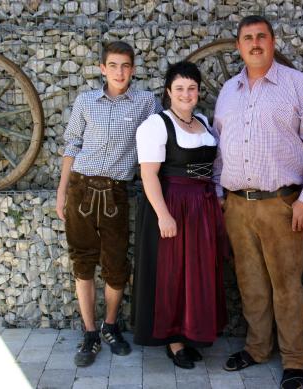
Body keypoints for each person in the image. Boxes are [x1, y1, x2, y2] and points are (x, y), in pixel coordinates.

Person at [213, 15, 303, 389]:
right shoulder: (228, 91)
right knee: (250, 284)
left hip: (282, 205)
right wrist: (219, 193)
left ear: (273, 41)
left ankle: (294, 358)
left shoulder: (298, 85)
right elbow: (219, 145)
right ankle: (257, 348)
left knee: (286, 286)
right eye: (247, 38)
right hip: (237, 205)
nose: (255, 43)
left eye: (261, 36)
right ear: (239, 46)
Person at [56, 41, 161, 367]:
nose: (119, 71)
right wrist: (62, 192)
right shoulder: (86, 102)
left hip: (116, 193)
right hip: (81, 189)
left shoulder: (145, 103)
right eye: (113, 65)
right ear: (103, 68)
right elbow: (72, 144)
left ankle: (110, 325)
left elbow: (162, 135)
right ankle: (89, 333)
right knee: (83, 262)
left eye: (125, 65)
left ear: (132, 69)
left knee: (116, 266)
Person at [132, 61, 228, 369]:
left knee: (196, 271)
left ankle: (191, 331)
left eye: (192, 88)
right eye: (179, 89)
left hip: (202, 206)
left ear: (198, 91)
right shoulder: (156, 125)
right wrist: (163, 215)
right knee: (172, 272)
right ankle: (173, 341)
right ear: (168, 92)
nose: (186, 94)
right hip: (173, 204)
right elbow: (148, 175)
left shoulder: (202, 120)